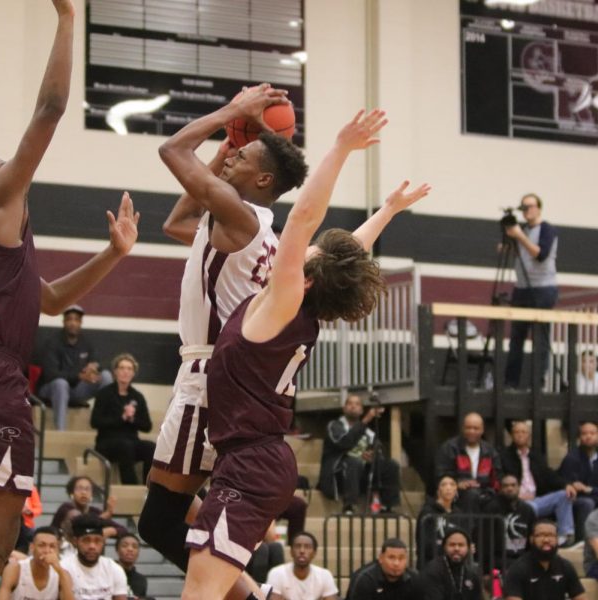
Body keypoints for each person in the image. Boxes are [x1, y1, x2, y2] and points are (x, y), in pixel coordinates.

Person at [0, 2, 140, 599]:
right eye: (0, 165)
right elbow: (49, 110)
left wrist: (114, 254)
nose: (12, 167)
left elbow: (46, 299)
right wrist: (70, 19)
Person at [181, 110, 429, 599]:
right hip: (259, 459)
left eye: (307, 255)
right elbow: (346, 254)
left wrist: (338, 148)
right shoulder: (303, 309)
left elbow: (302, 218)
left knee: (200, 594)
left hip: (251, 463)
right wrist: (387, 211)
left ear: (306, 276)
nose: (302, 249)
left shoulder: (282, 301)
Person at [139, 81, 309, 595]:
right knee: (164, 518)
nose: (230, 157)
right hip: (217, 375)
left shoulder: (242, 219)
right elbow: (177, 221)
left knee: (160, 522)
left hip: (207, 376)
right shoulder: (248, 224)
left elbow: (171, 149)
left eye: (241, 155)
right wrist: (227, 147)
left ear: (262, 178)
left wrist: (231, 113)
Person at [503, 193, 558, 389]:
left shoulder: (547, 229)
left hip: (543, 289)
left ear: (538, 208)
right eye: (523, 207)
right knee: (516, 338)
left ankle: (538, 383)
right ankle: (511, 382)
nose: (526, 210)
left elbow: (540, 254)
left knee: (540, 339)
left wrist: (519, 236)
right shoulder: (523, 230)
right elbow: (507, 251)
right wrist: (509, 238)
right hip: (522, 288)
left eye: (530, 206)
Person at [318, 394, 400, 514]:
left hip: (361, 476)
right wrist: (366, 420)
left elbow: (378, 451)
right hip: (338, 475)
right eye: (350, 403)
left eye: (357, 404)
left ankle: (386, 506)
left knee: (391, 465)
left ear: (361, 410)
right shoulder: (335, 426)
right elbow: (343, 442)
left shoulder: (368, 432)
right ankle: (349, 506)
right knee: (353, 461)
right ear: (344, 408)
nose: (353, 406)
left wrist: (372, 456)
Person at [499, 421, 576, 546]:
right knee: (530, 508)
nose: (520, 435)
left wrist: (566, 485)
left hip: (537, 499)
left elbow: (549, 475)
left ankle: (565, 535)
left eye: (523, 432)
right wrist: (516, 496)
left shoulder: (536, 456)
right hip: (518, 501)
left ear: (529, 436)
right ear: (512, 436)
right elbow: (502, 480)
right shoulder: (504, 456)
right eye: (516, 432)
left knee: (563, 495)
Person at [37, 305, 112, 431]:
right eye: (69, 319)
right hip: (51, 389)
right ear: (64, 322)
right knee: (61, 383)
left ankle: (105, 425)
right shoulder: (52, 343)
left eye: (76, 319)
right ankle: (61, 431)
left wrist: (94, 366)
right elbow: (50, 374)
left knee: (106, 376)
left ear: (81, 322)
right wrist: (78, 375)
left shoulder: (86, 342)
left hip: (76, 390)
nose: (73, 323)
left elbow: (100, 362)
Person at [91, 353, 155, 484]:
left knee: (151, 447)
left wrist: (132, 419)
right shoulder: (104, 394)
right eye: (122, 368)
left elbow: (147, 426)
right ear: (115, 371)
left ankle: (148, 487)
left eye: (129, 369)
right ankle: (130, 487)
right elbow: (95, 422)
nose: (125, 372)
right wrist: (122, 418)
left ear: (133, 373)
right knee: (125, 446)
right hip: (107, 442)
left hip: (131, 440)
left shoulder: (137, 396)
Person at [502, 519, 586, 600]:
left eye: (551, 535)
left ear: (557, 539)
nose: (546, 540)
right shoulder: (518, 569)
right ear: (531, 539)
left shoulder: (565, 566)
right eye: (541, 535)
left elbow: (580, 597)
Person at [435, 412, 502, 511]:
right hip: (457, 493)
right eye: (468, 428)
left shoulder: (490, 451)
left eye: (476, 428)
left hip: (484, 492)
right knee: (471, 495)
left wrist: (491, 491)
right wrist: (457, 484)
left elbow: (497, 477)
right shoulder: (449, 448)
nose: (471, 431)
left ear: (482, 430)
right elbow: (441, 475)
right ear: (463, 428)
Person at [558, 421, 598, 540]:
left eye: (592, 433)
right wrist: (589, 490)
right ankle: (583, 540)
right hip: (576, 499)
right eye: (584, 433)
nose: (588, 436)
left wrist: (589, 489)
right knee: (587, 503)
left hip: (595, 495)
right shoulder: (572, 458)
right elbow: (571, 486)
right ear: (580, 437)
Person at [59, 513, 127, 600]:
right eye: (86, 540)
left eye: (97, 541)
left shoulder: (113, 569)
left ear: (103, 542)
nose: (92, 546)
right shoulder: (64, 567)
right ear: (75, 541)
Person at [0, 526, 75, 600]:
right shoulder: (15, 569)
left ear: (58, 550)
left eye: (52, 546)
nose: (47, 551)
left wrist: (59, 570)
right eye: (42, 545)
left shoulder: (62, 574)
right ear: (32, 547)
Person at [482, 473, 536, 569]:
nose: (509, 488)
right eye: (506, 486)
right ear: (501, 489)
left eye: (513, 485)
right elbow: (485, 541)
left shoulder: (527, 509)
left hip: (523, 558)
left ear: (519, 487)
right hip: (498, 560)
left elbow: (532, 537)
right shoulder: (492, 508)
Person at [266, 532, 339, 600]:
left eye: (307, 547)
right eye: (297, 546)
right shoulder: (277, 573)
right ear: (291, 551)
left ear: (314, 553)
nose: (302, 551)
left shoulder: (325, 575)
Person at [49, 476, 125, 539]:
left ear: (92, 494)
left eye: (87, 489)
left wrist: (111, 530)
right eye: (79, 489)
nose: (84, 492)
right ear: (72, 493)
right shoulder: (66, 508)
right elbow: (81, 522)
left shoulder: (94, 511)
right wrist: (106, 514)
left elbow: (123, 530)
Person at [346, 538, 423, 600]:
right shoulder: (365, 579)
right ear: (381, 558)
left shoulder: (414, 579)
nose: (396, 563)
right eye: (391, 557)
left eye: (401, 558)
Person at [416, 475, 465, 569]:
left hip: (453, 563)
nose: (448, 488)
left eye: (452, 484)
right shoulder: (427, 512)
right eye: (444, 484)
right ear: (438, 490)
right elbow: (425, 543)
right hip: (431, 563)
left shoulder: (459, 514)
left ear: (456, 490)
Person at [420, 528, 484, 600]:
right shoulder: (433, 570)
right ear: (444, 547)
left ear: (468, 548)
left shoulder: (472, 572)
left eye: (461, 545)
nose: (456, 548)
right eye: (452, 545)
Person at [114, 533, 148, 600]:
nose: (130, 549)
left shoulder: (141, 580)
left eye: (134, 546)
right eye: (124, 545)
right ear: (117, 550)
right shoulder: (109, 574)